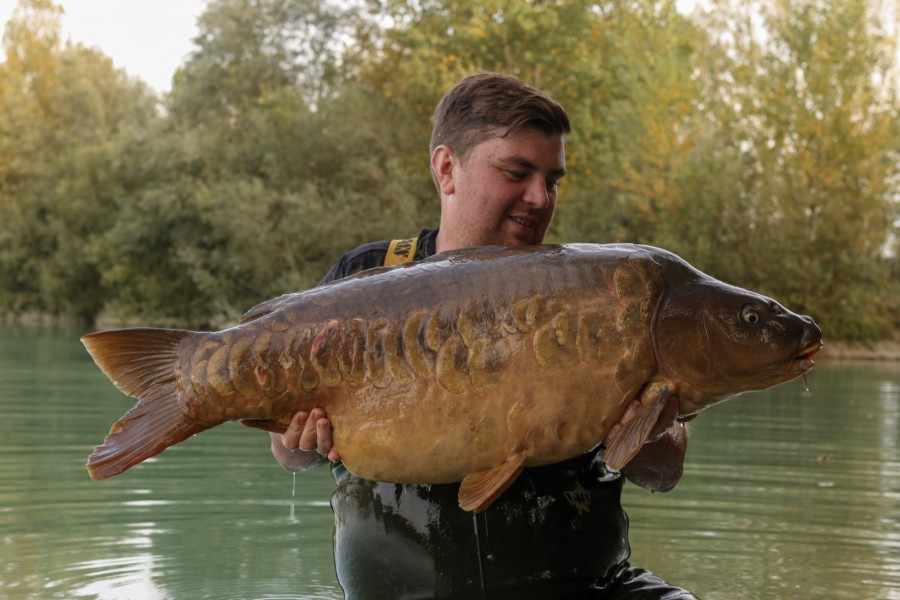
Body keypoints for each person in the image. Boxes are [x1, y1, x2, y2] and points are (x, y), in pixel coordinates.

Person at [270, 72, 697, 599]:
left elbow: (667, 468)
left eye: (553, 180)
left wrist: (646, 433)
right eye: (518, 172)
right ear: (447, 168)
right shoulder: (367, 278)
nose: (540, 197)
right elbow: (287, 452)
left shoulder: (595, 293)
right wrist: (302, 440)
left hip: (589, 588)